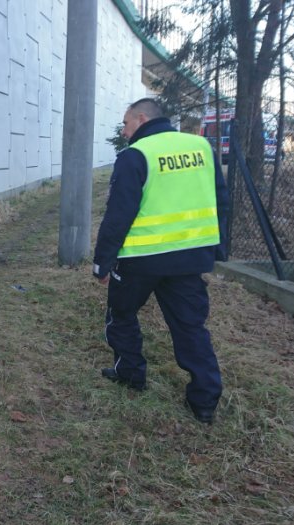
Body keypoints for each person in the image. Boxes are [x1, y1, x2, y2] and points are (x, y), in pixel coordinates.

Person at [92, 97, 228, 424]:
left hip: (141, 260)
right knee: (190, 327)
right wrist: (217, 249)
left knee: (122, 315)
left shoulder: (136, 155)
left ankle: (131, 373)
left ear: (141, 118)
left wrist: (102, 263)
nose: (124, 132)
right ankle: (205, 401)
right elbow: (221, 200)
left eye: (125, 124)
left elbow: (118, 215)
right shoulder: (201, 148)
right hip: (189, 259)